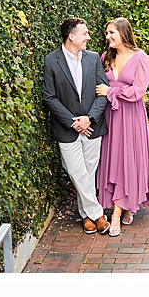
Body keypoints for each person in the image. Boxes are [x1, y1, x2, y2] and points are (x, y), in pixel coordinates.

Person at [40, 17, 110, 233]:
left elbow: (103, 92)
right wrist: (73, 122)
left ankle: (86, 216)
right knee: (77, 173)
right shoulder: (51, 61)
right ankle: (97, 213)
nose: (88, 37)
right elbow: (49, 98)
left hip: (93, 126)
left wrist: (89, 118)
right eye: (84, 33)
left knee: (89, 173)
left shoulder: (93, 58)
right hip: (67, 129)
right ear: (71, 36)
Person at [95, 17, 149, 238]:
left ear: (123, 33)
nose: (108, 37)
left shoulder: (141, 58)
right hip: (110, 117)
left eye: (111, 32)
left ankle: (116, 215)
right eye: (106, 33)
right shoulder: (105, 57)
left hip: (131, 117)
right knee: (113, 160)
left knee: (126, 160)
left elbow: (137, 92)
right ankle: (126, 204)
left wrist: (110, 92)